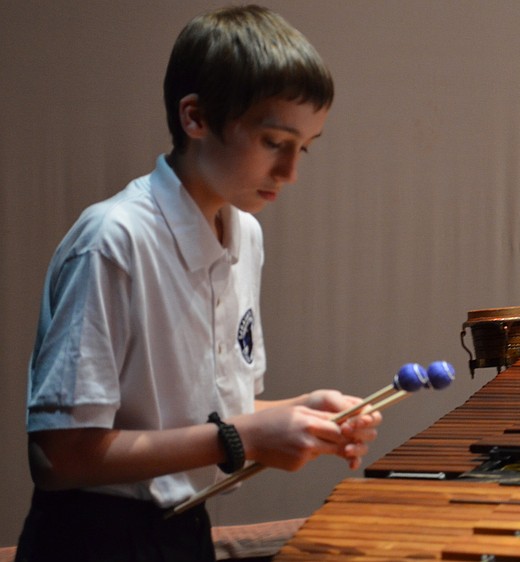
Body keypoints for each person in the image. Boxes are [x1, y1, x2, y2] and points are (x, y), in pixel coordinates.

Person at [15, 5, 381, 561]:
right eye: (273, 142)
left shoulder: (246, 235)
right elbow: (58, 458)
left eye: (303, 147)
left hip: (182, 530)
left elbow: (207, 412)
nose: (291, 172)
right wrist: (244, 439)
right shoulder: (113, 240)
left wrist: (305, 414)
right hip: (91, 540)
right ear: (196, 118)